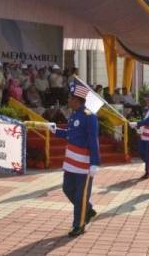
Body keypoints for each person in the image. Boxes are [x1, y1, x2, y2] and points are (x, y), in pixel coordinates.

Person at [48, 84, 100, 237]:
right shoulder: (74, 114)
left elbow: (93, 140)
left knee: (80, 196)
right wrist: (55, 130)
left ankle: (79, 225)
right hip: (71, 162)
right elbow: (70, 134)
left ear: (77, 100)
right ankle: (88, 210)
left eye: (70, 98)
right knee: (67, 189)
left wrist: (95, 163)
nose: (68, 100)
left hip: (84, 164)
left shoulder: (89, 116)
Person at [130, 93, 149, 179]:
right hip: (144, 134)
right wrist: (138, 126)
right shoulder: (147, 109)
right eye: (146, 100)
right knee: (141, 151)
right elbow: (144, 120)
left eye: (148, 100)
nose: (146, 102)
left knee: (147, 154)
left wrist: (137, 123)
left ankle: (148, 170)